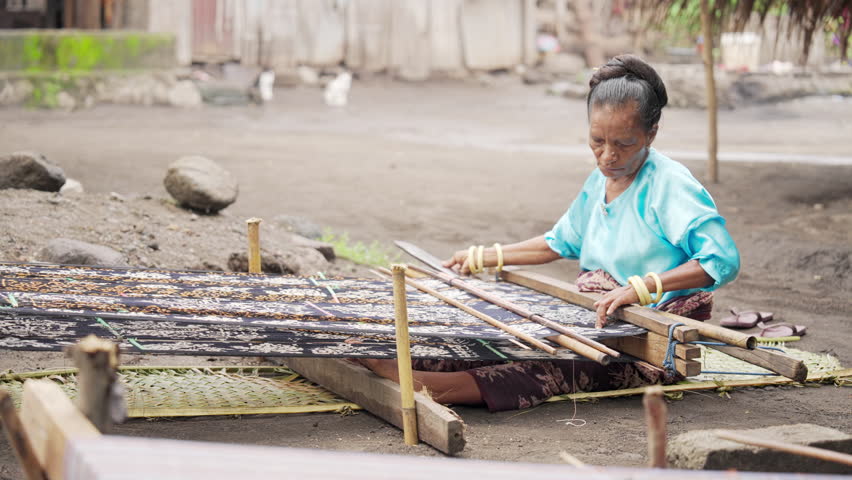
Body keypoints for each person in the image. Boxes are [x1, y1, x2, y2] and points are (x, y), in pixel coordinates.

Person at [361, 54, 740, 412]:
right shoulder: (601, 182)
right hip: (597, 318)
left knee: (550, 366)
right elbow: (558, 242)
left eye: (624, 144)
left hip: (647, 341)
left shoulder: (671, 185)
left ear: (651, 134)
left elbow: (721, 260)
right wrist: (482, 257)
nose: (607, 155)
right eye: (597, 141)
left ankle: (423, 384)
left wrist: (640, 289)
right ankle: (407, 365)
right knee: (497, 340)